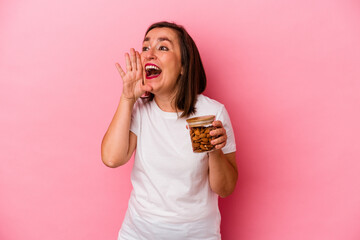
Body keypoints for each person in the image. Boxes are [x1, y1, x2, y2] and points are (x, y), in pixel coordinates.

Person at [101, 21, 238, 240]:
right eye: (146, 47)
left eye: (163, 47)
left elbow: (225, 189)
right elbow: (111, 158)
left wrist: (214, 151)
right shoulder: (140, 110)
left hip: (197, 234)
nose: (149, 54)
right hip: (138, 233)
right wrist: (127, 98)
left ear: (184, 66)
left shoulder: (212, 113)